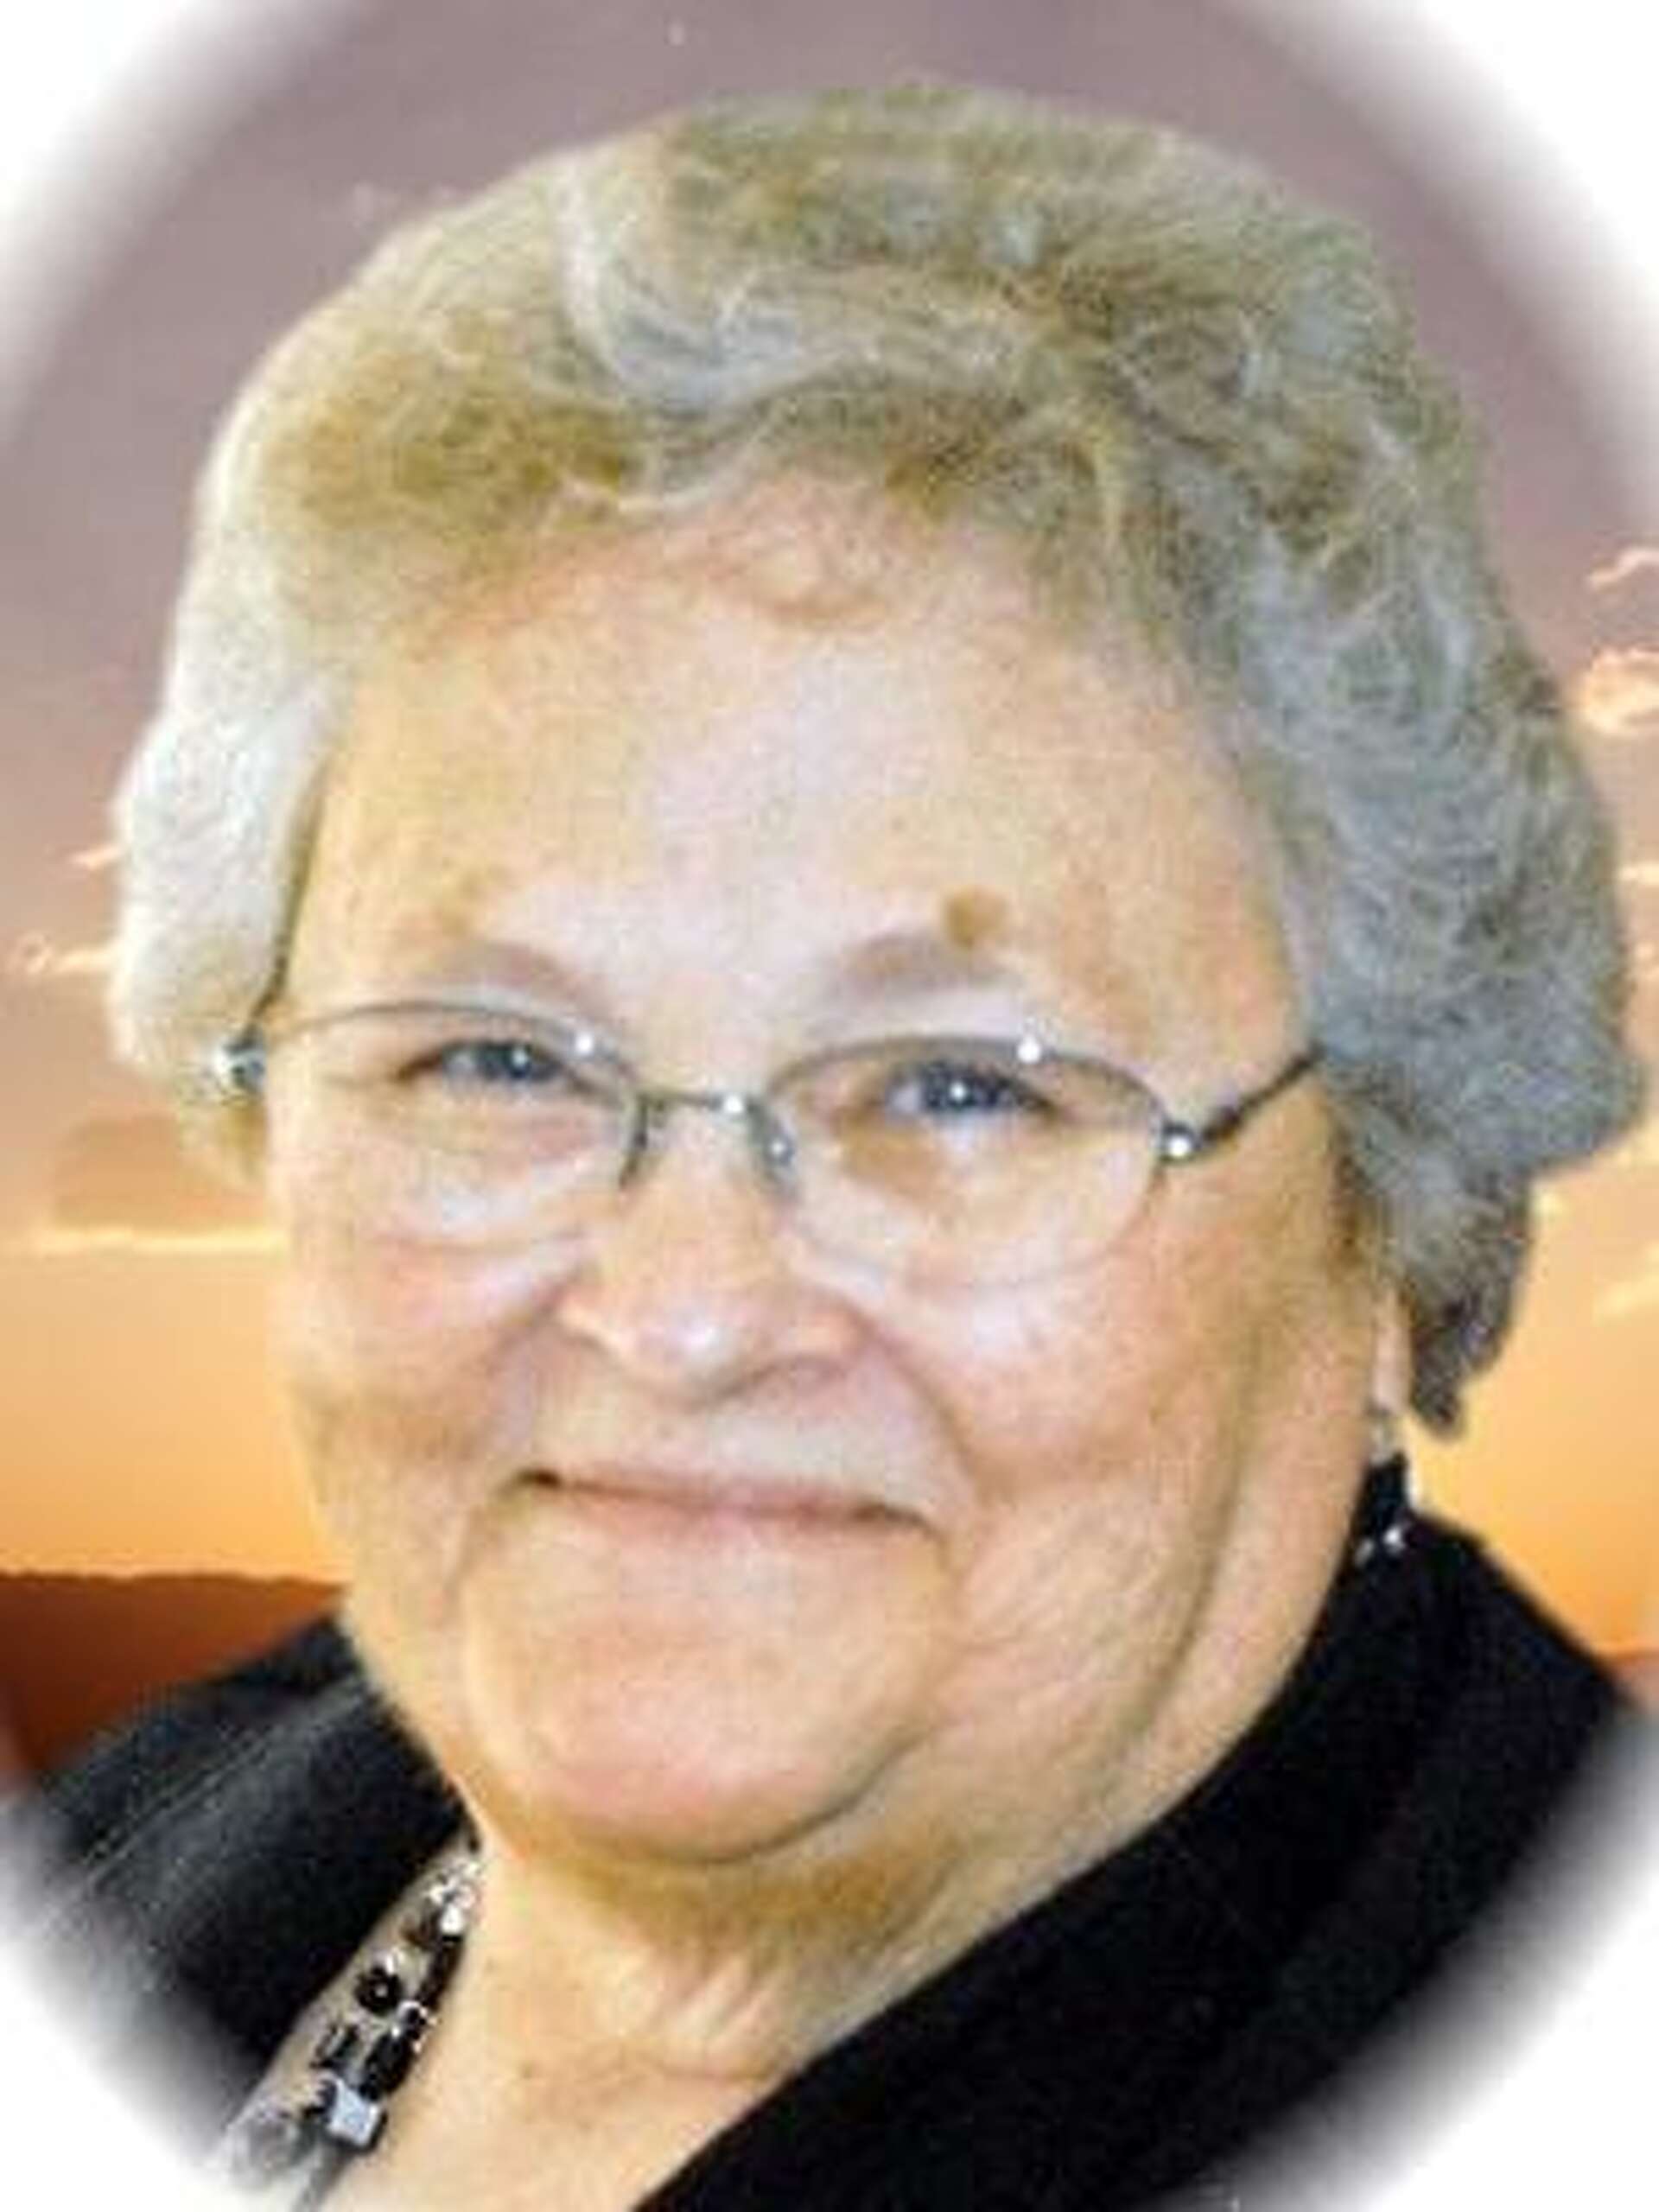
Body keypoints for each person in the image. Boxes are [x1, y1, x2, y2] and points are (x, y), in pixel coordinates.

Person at [9, 81, 1649, 2209]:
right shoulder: (144, 1858)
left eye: (961, 1084)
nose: (683, 1313)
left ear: (1388, 1227)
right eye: (498, 1058)